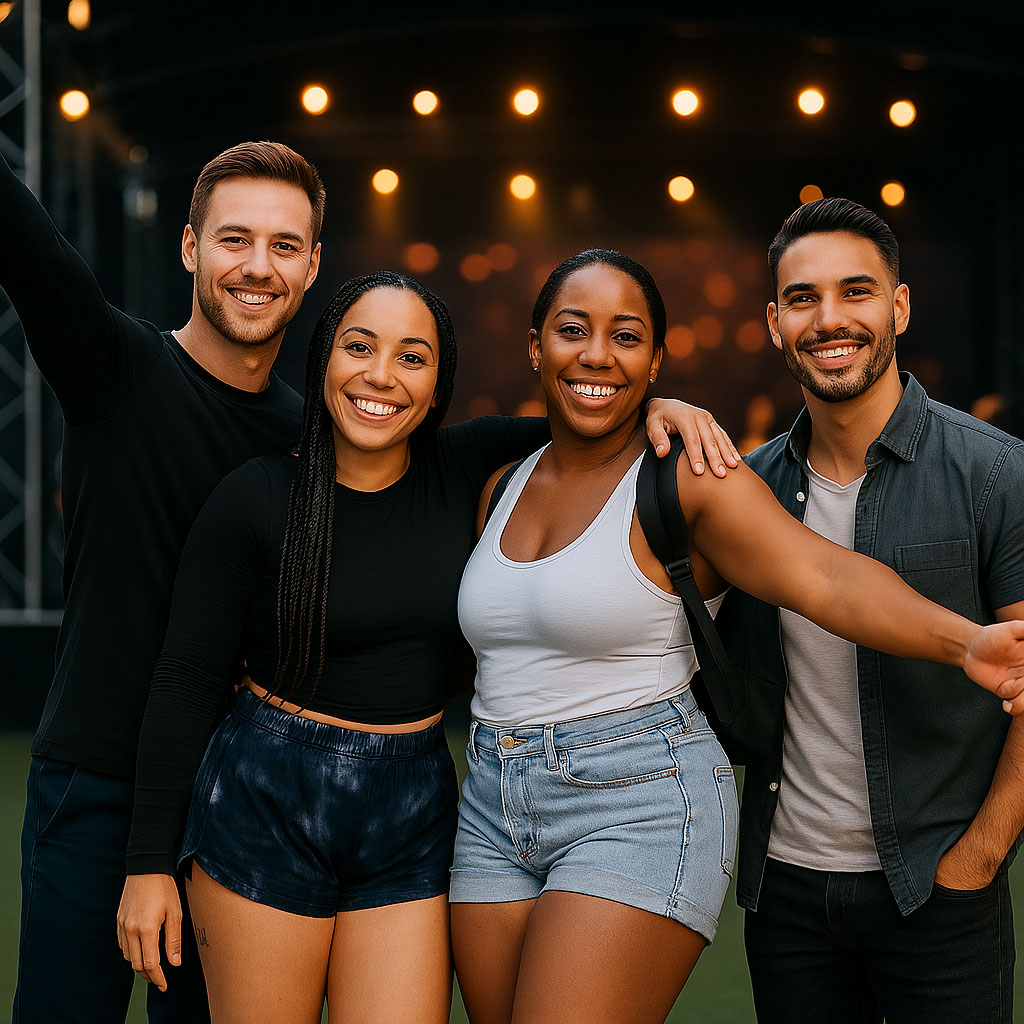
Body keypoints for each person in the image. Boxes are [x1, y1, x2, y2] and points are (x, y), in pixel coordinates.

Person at [114, 271, 734, 1024]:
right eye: (359, 347)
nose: (382, 376)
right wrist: (148, 864)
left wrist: (669, 405)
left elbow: (591, 405)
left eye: (412, 357)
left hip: (410, 810)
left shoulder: (468, 464)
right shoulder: (254, 497)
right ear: (324, 361)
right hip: (266, 796)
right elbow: (183, 682)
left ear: (439, 382)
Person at [448, 248, 1024, 1024]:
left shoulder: (690, 476)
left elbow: (827, 577)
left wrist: (964, 643)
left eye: (625, 336)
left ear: (656, 359)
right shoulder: (499, 485)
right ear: (534, 345)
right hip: (491, 804)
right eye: (572, 330)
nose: (595, 354)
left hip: (634, 796)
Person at [5, 140, 324, 1023]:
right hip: (95, 788)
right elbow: (32, 250)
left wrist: (650, 410)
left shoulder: (316, 444)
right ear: (189, 249)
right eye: (233, 240)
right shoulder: (118, 371)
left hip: (237, 806)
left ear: (311, 266)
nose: (257, 267)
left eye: (283, 246)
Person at [729, 197, 1024, 1024]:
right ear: (774, 323)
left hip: (939, 886)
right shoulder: (744, 494)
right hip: (784, 893)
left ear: (897, 306)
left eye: (856, 292)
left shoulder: (995, 475)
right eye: (802, 299)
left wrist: (981, 857)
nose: (830, 319)